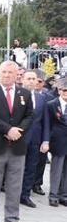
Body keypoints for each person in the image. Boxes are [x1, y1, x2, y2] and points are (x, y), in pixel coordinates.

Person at [0, 60, 33, 222]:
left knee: (14, 185)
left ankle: (12, 220)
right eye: (3, 72)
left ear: (16, 74)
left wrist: (19, 131)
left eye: (10, 73)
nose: (6, 75)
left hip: (17, 147)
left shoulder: (24, 94)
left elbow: (29, 116)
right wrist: (8, 130)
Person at [20, 69, 50, 207]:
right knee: (17, 167)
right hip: (18, 138)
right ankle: (14, 193)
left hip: (35, 139)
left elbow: (45, 121)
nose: (32, 81)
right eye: (29, 78)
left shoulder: (42, 98)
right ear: (22, 80)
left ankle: (25, 195)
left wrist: (45, 140)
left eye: (34, 79)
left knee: (31, 167)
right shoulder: (16, 95)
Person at [45, 78, 67, 206]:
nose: (66, 93)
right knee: (56, 169)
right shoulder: (52, 104)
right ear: (59, 91)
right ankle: (53, 194)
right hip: (58, 141)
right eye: (64, 90)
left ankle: (64, 194)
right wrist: (46, 141)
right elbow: (48, 124)